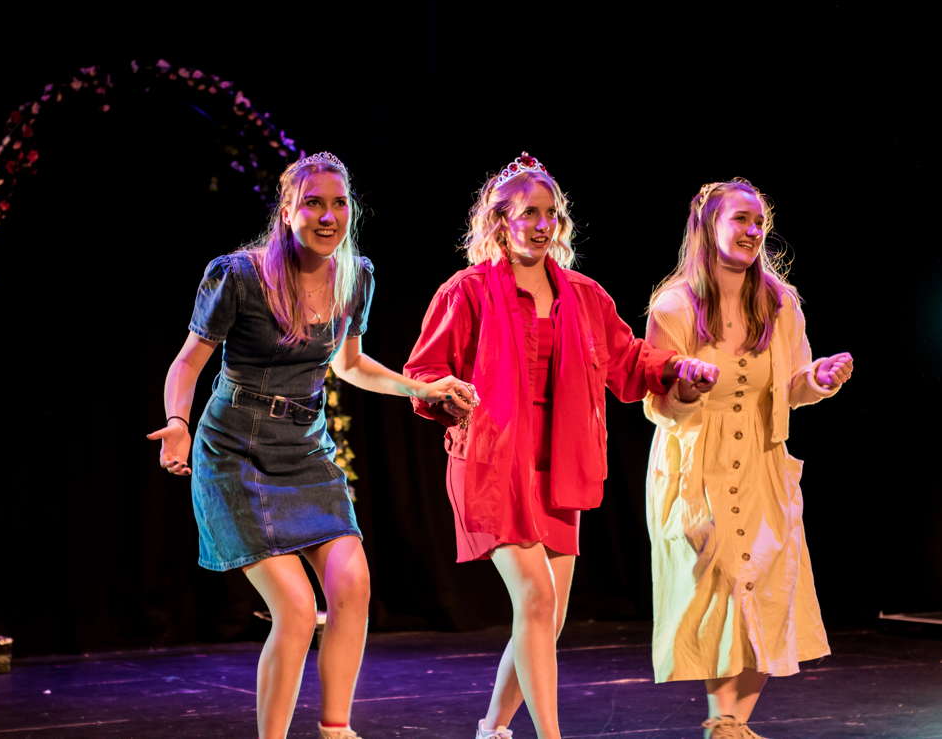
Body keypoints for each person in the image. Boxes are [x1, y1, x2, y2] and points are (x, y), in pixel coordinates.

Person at [147, 152, 475, 739]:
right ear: (287, 210)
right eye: (314, 203)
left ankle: (335, 730)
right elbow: (187, 362)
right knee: (296, 610)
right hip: (233, 454)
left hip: (305, 451)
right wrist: (178, 421)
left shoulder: (355, 276)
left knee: (353, 586)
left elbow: (348, 365)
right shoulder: (240, 275)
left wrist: (419, 387)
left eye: (339, 203)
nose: (328, 216)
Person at [404, 153, 718, 739]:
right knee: (537, 602)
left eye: (551, 213)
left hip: (561, 465)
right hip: (494, 463)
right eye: (529, 214)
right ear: (501, 221)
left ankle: (491, 730)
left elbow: (629, 360)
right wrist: (443, 392)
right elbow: (423, 371)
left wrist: (679, 368)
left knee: (546, 617)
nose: (542, 224)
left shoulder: (583, 294)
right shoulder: (467, 290)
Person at [642, 178, 854, 739]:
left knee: (768, 589)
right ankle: (725, 722)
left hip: (761, 463)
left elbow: (790, 385)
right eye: (740, 219)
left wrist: (820, 379)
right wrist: (688, 385)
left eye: (758, 221)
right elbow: (661, 402)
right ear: (708, 227)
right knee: (723, 596)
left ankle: (729, 724)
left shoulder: (780, 303)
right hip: (697, 466)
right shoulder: (674, 305)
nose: (753, 231)